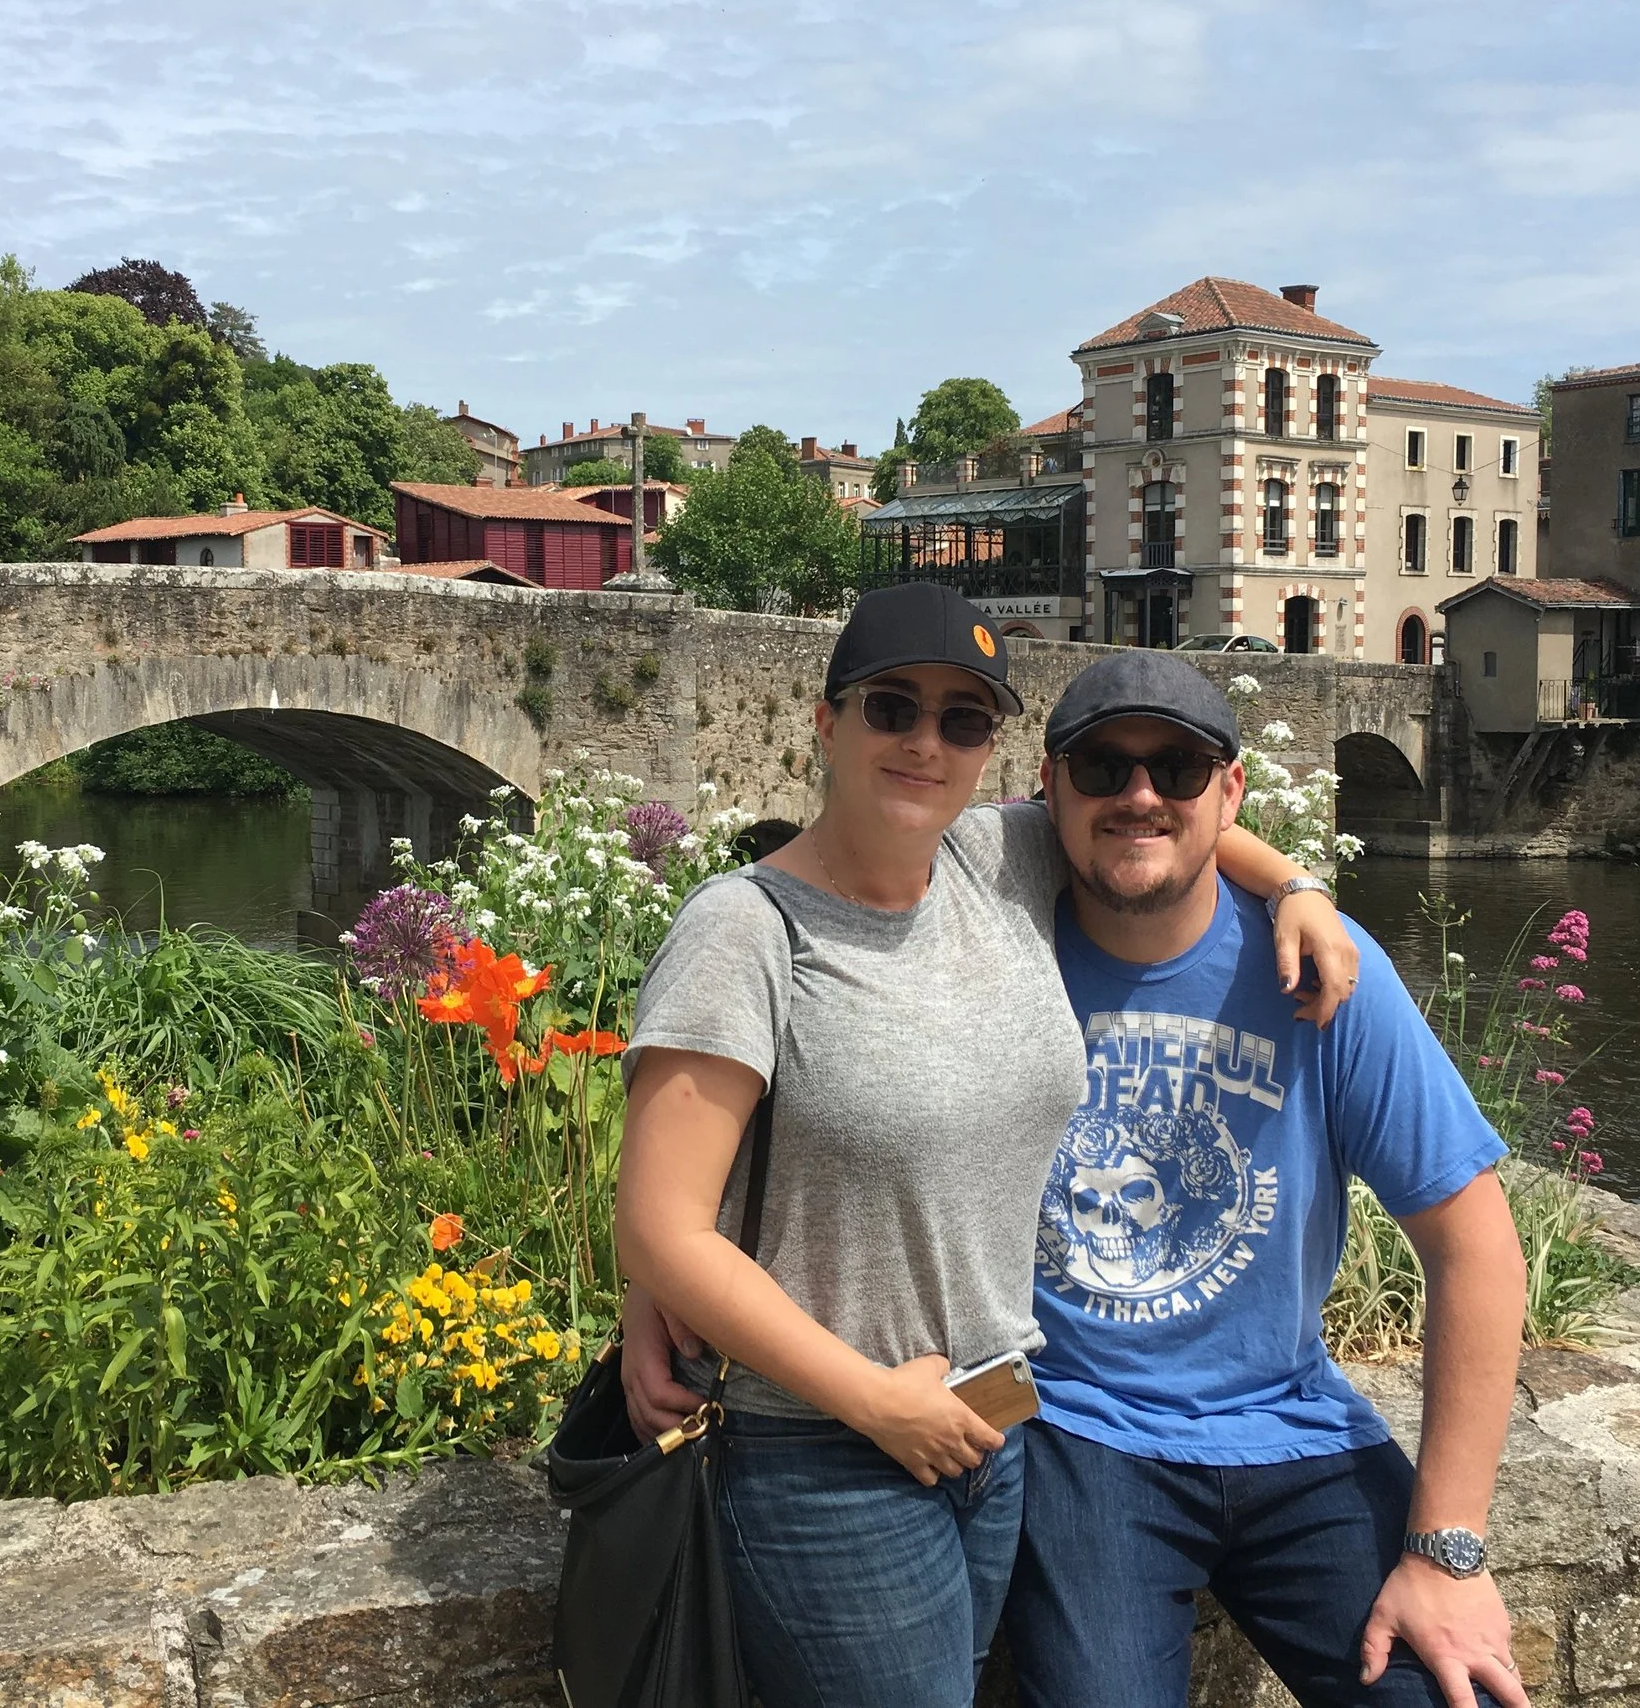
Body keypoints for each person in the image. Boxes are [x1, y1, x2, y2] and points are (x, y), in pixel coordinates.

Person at [613, 582, 1357, 1708]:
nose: (925, 742)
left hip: (990, 1430)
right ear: (826, 721)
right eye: (891, 708)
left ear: (993, 749)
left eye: (964, 720)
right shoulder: (744, 928)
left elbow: (1153, 817)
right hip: (819, 1451)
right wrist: (872, 1402)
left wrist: (1296, 887)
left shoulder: (995, 861)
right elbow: (661, 1229)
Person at [1003, 648, 1527, 1708]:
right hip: (1083, 1432)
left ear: (1229, 790)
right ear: (1046, 786)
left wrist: (1447, 1550)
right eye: (1102, 767)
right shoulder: (995, 937)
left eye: (1179, 769)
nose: (1139, 794)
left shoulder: (1326, 972)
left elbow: (1474, 1246)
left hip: (1293, 1428)